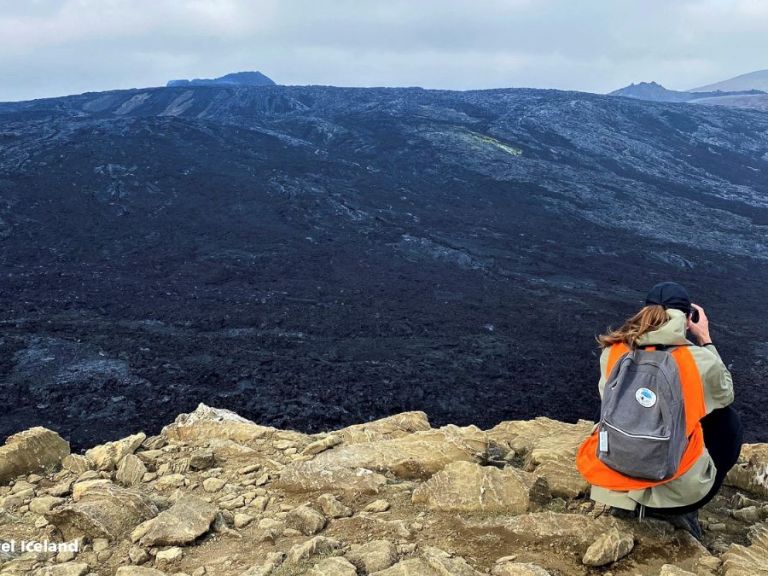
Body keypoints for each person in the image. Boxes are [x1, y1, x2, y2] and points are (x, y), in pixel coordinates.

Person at [576, 281, 742, 539]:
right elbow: (725, 393)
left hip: (610, 478)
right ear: (688, 319)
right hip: (675, 492)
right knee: (728, 421)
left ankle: (627, 499)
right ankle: (673, 504)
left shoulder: (612, 351)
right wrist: (705, 339)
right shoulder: (698, 361)